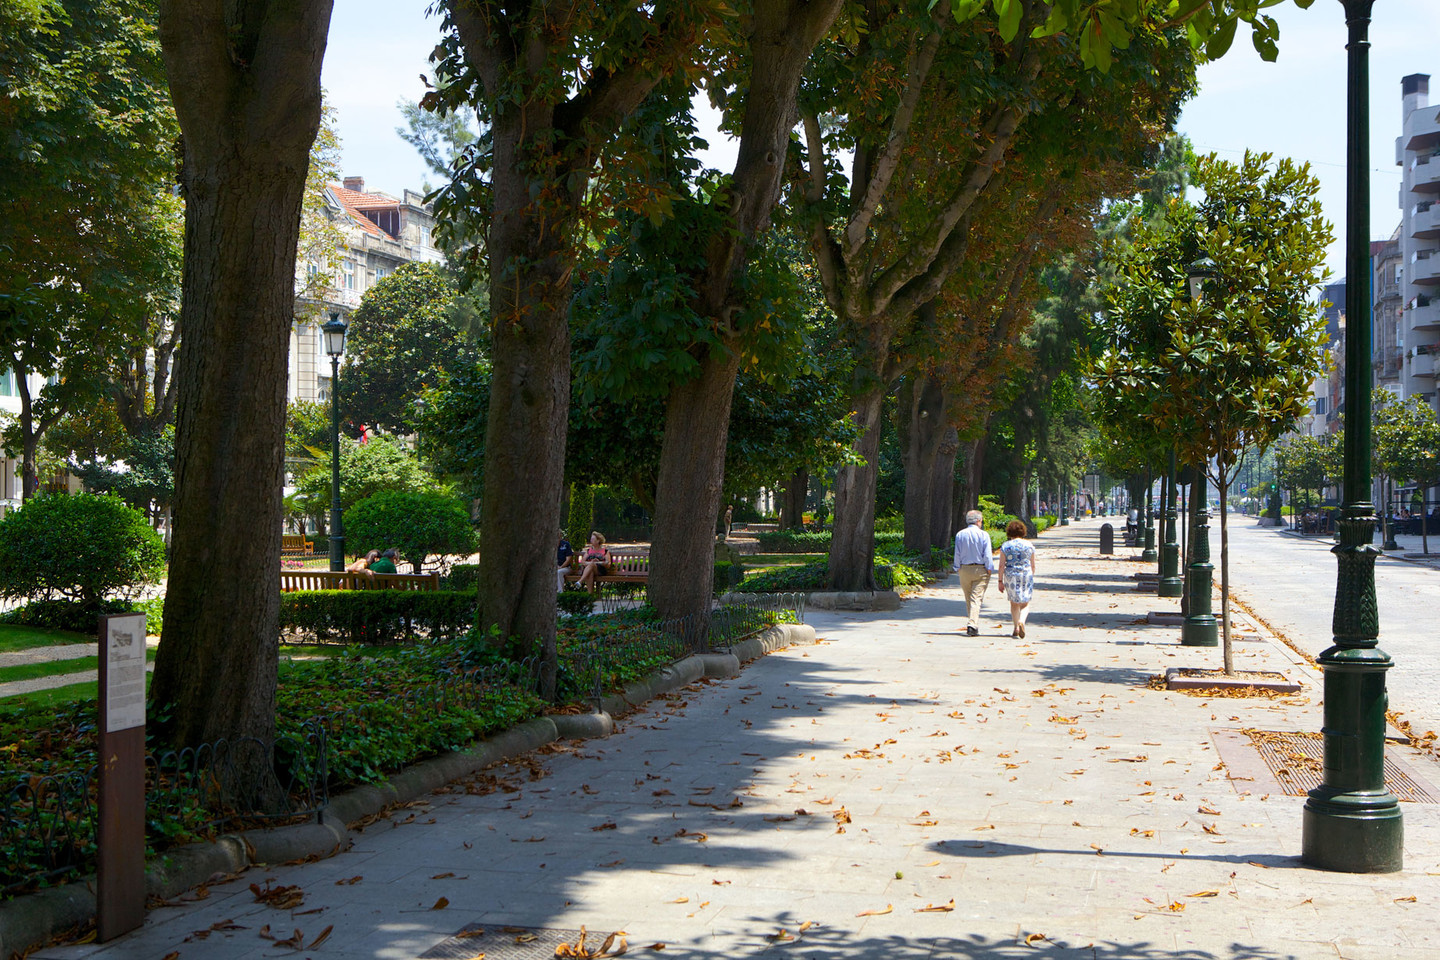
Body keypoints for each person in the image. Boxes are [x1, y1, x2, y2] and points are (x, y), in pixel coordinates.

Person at [952, 510, 996, 636]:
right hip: (980, 569)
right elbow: (987, 554)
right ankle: (972, 624)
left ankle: (972, 622)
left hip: (964, 569)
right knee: (976, 598)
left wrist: (957, 567)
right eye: (981, 521)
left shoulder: (960, 535)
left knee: (968, 597)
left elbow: (957, 553)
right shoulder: (984, 535)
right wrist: (989, 568)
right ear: (978, 521)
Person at [997, 519, 1037, 639]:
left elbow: (1001, 565)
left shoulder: (1006, 546)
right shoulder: (1029, 545)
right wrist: (1031, 575)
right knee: (1025, 603)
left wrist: (1000, 581)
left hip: (1011, 575)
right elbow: (1033, 564)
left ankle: (1016, 627)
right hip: (1026, 574)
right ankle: (1022, 621)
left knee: (1014, 603)